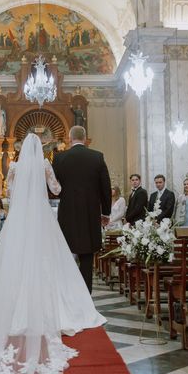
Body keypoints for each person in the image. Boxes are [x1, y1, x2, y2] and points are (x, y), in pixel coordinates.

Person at [0, 133, 105, 374]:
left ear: (21, 149)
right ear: (40, 150)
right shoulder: (46, 164)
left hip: (18, 220)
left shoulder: (13, 167)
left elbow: (9, 191)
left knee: (15, 257)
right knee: (47, 259)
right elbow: (57, 189)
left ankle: (10, 304)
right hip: (42, 217)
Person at [52, 125, 112, 293]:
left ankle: (68, 292)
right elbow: (105, 188)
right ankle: (85, 295)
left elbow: (53, 187)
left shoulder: (59, 158)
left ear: (69, 139)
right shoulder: (97, 157)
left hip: (67, 214)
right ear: (85, 138)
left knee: (66, 253)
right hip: (90, 214)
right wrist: (105, 212)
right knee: (87, 255)